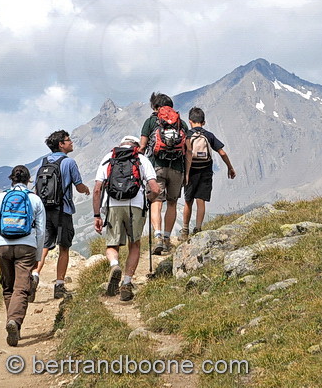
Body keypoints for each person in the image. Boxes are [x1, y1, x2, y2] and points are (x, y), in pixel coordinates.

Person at [0, 165, 46, 347]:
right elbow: (41, 231)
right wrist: (38, 256)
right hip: (27, 247)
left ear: (12, 179)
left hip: (3, 246)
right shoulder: (35, 200)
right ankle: (15, 322)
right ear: (28, 180)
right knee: (22, 288)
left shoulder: (1, 197)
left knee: (8, 287)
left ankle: (12, 320)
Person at [92, 136, 160, 302]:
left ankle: (114, 265)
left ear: (121, 145)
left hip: (112, 205)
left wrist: (96, 215)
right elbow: (155, 188)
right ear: (136, 146)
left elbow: (96, 190)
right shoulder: (141, 159)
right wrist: (149, 199)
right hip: (135, 205)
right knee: (134, 244)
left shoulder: (108, 158)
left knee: (112, 244)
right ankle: (127, 283)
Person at [33, 130, 90, 299]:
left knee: (44, 247)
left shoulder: (43, 163)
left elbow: (38, 189)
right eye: (68, 140)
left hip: (45, 211)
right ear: (61, 144)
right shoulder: (69, 163)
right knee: (64, 247)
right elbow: (78, 186)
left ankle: (34, 275)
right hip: (63, 210)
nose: (71, 142)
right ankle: (59, 285)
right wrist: (86, 189)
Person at [137, 92, 188, 255]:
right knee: (172, 203)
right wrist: (186, 173)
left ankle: (158, 236)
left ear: (155, 107)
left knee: (156, 202)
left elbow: (142, 146)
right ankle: (167, 238)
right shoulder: (181, 123)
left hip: (156, 168)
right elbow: (188, 150)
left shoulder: (151, 121)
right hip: (177, 169)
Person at [180, 107, 236, 240]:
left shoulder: (187, 135)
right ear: (203, 122)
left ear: (190, 121)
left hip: (191, 171)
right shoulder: (208, 135)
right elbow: (222, 152)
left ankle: (185, 231)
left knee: (188, 201)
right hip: (205, 171)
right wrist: (230, 167)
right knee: (201, 201)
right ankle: (198, 228)